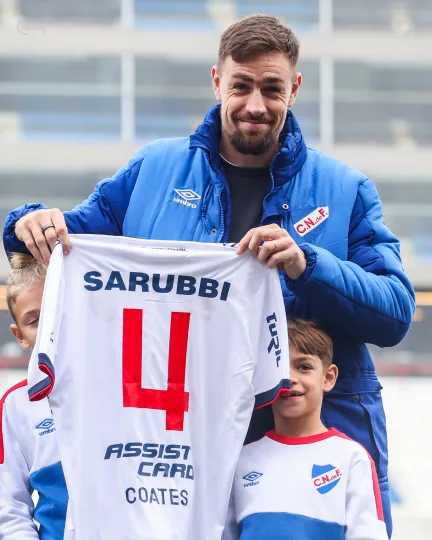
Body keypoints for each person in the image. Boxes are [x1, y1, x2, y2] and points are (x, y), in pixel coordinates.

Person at [2, 14, 414, 536]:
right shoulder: (154, 171)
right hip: (180, 431)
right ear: (217, 82)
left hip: (306, 431)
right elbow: (68, 239)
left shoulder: (345, 188)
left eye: (272, 88)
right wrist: (27, 223)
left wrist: (308, 264)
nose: (256, 105)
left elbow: (395, 312)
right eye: (241, 86)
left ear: (295, 89)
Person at [223, 319, 387, 540]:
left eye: (304, 367)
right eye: (279, 368)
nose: (290, 378)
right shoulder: (241, 459)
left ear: (328, 377)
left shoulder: (351, 458)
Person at [0, 253, 68, 539]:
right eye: (35, 320)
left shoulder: (124, 386)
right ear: (20, 336)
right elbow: (9, 508)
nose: (50, 326)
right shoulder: (16, 404)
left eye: (57, 309)